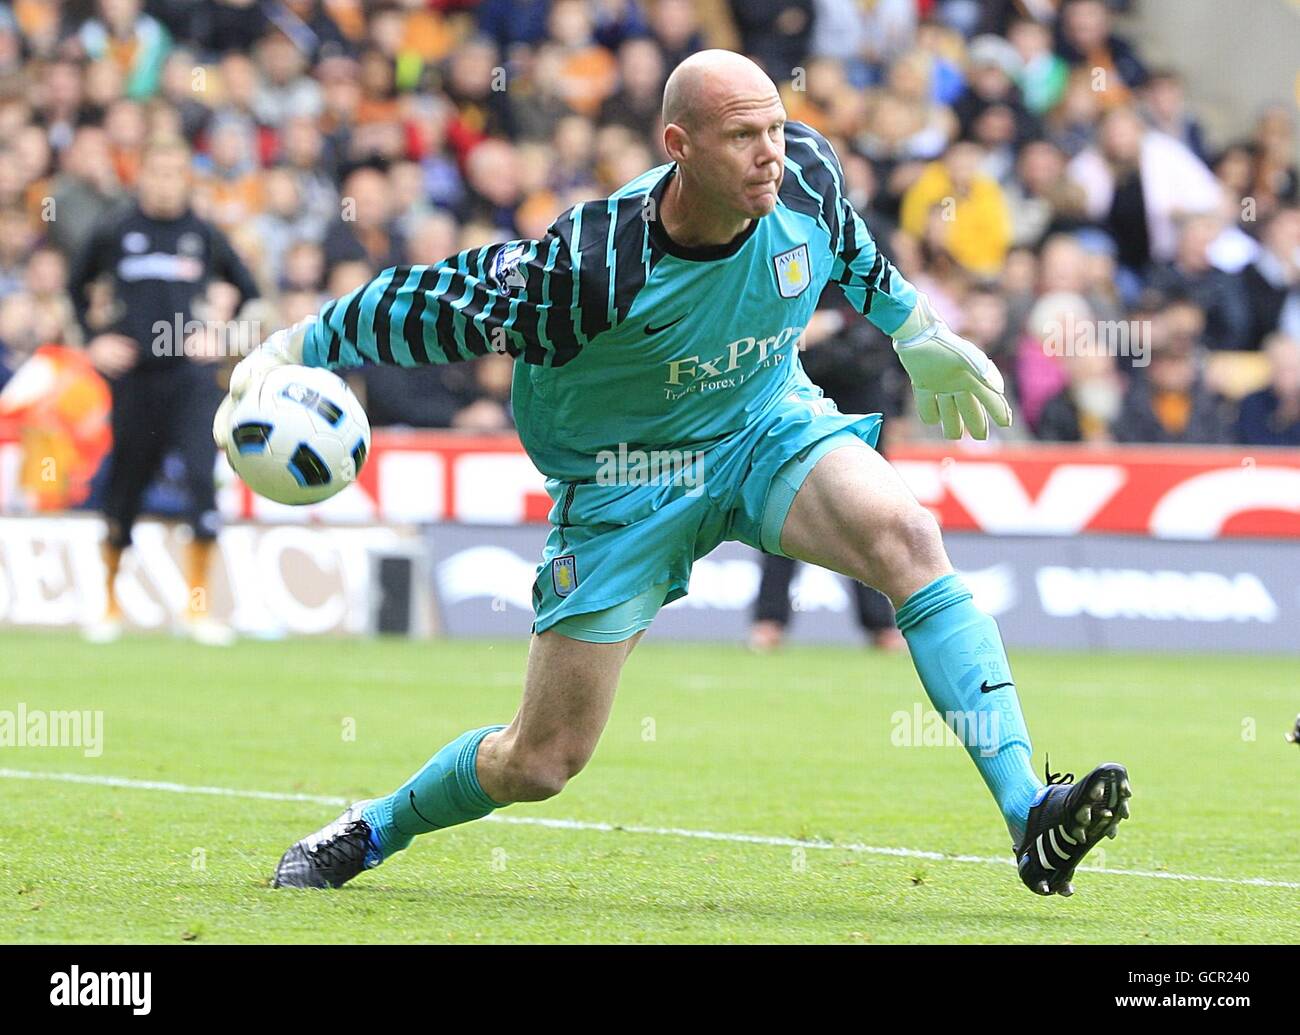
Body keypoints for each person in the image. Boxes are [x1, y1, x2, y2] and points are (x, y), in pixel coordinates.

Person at [219, 52, 1130, 898]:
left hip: (761, 424)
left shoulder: (806, 171)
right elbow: (438, 302)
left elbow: (847, 242)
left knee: (908, 537)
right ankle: (374, 827)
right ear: (679, 148)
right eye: (743, 136)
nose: (772, 154)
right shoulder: (590, 267)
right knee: (541, 760)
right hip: (622, 484)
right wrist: (298, 341)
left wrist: (914, 327)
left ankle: (1028, 814)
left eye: (775, 127)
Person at [70, 135, 259, 644]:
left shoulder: (204, 234)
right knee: (125, 485)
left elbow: (249, 289)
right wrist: (95, 341)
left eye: (176, 172)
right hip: (135, 376)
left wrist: (220, 331)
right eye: (157, 172)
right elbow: (74, 286)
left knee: (201, 478)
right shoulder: (115, 230)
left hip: (192, 378)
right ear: (141, 175)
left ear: (187, 179)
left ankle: (197, 609)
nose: (166, 182)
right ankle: (108, 604)